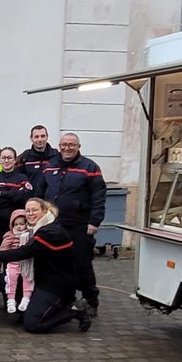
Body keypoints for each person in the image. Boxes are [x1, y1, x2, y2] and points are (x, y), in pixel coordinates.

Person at [0, 199, 92, 333]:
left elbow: (22, 253)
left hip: (56, 286)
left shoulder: (51, 232)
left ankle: (74, 310)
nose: (30, 214)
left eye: (35, 210)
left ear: (45, 211)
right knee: (2, 278)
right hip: (39, 279)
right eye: (27, 211)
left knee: (33, 324)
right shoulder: (36, 229)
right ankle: (29, 309)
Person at [42, 133, 106, 318]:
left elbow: (98, 196)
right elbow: (41, 190)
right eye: (63, 145)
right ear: (59, 146)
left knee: (82, 264)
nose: (67, 148)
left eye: (71, 145)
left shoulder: (90, 167)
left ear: (79, 146)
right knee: (57, 264)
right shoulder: (50, 165)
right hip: (53, 224)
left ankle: (91, 299)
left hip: (79, 225)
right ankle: (64, 299)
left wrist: (95, 221)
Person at [0, 147, 33, 251]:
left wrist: (1, 194)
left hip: (17, 226)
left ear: (15, 160)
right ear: (0, 160)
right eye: (4, 158)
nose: (6, 161)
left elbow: (25, 198)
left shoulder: (22, 178)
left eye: (10, 158)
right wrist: (14, 196)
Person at [0, 209, 35, 315]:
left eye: (22, 224)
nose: (19, 227)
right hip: (13, 263)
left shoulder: (30, 234)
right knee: (10, 278)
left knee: (28, 278)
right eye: (16, 224)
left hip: (27, 263)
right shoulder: (10, 235)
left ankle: (26, 298)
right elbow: (3, 249)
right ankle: (11, 300)